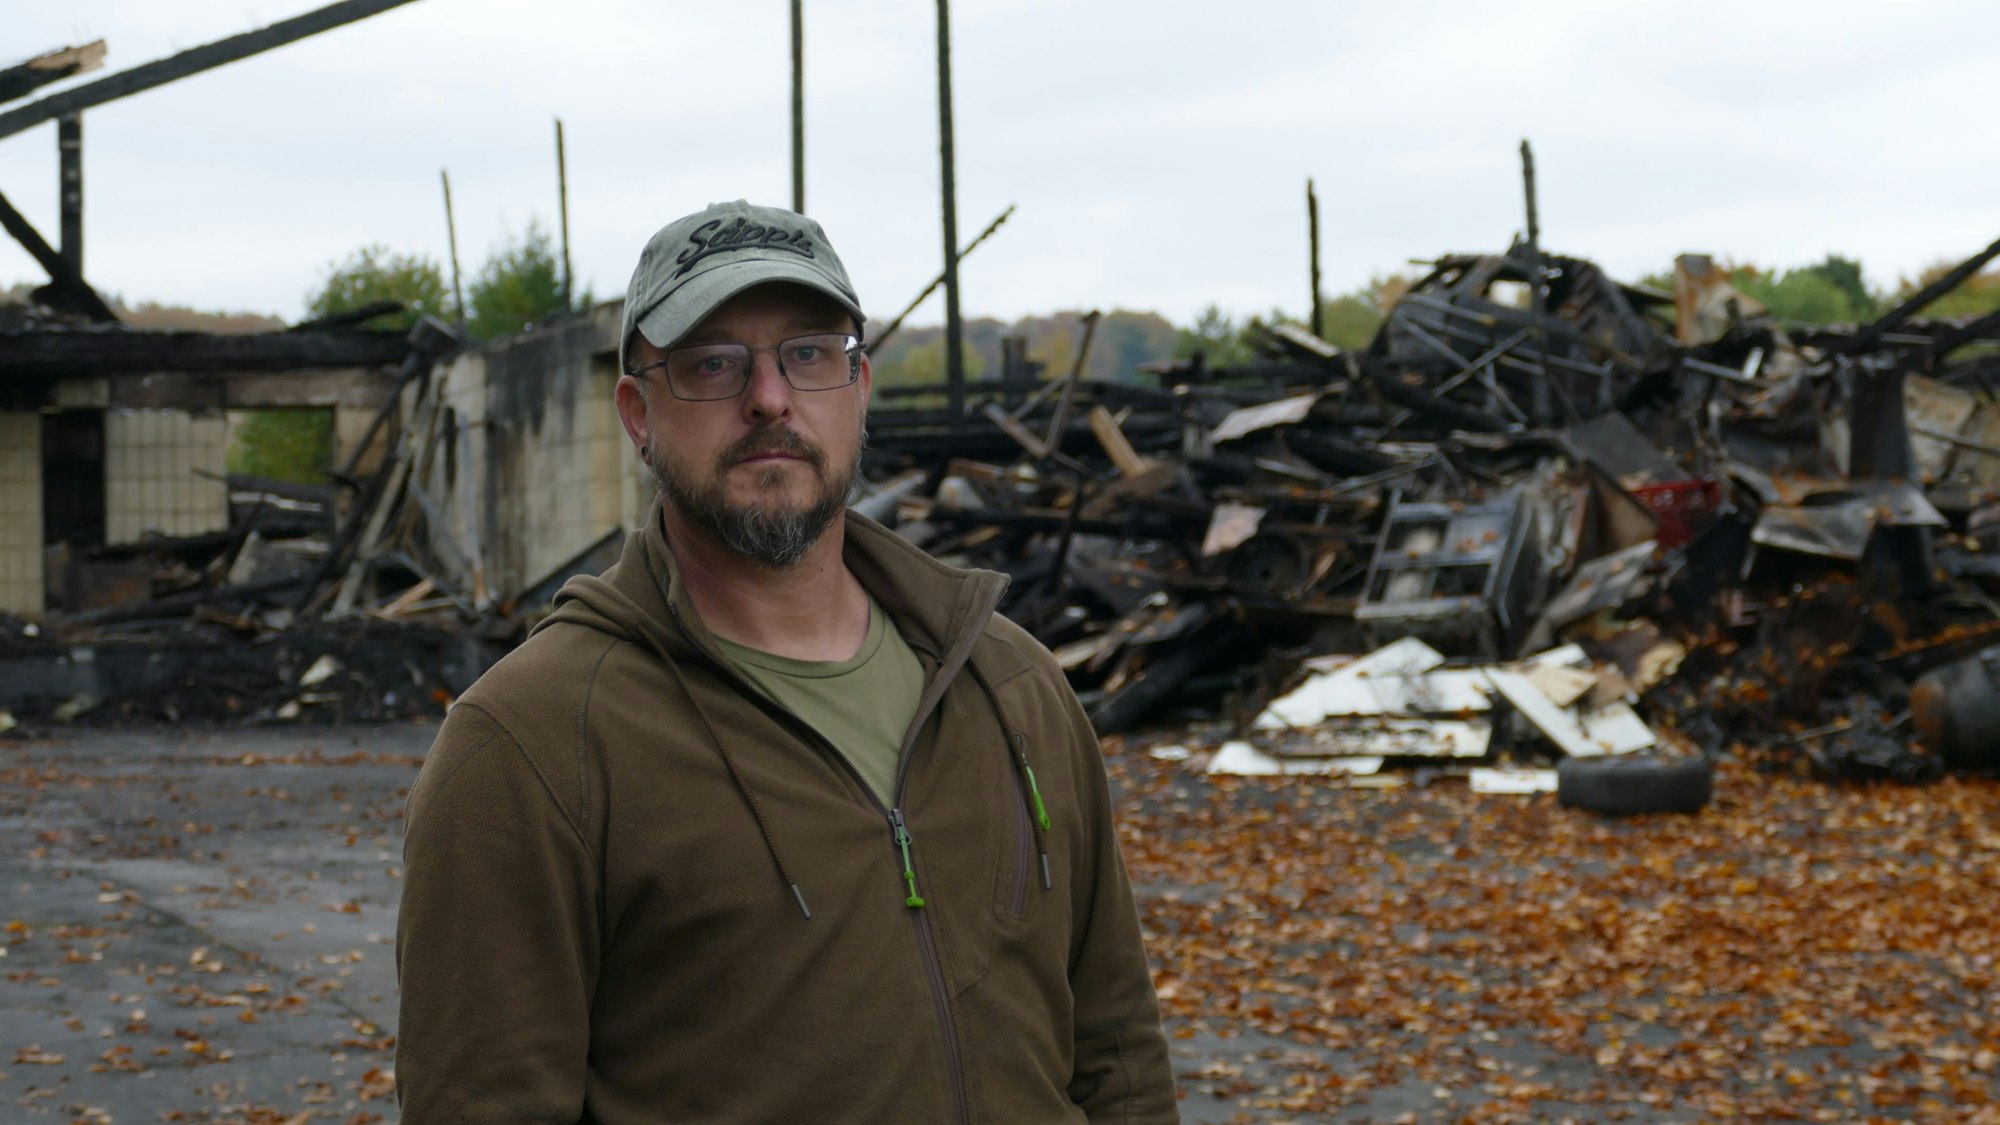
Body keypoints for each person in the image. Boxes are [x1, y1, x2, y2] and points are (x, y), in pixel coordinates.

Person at [395, 200, 1179, 1124]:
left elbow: (1118, 1055)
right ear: (638, 412)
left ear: (859, 387)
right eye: (714, 363)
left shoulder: (1012, 684)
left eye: (809, 353)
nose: (769, 398)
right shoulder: (530, 745)